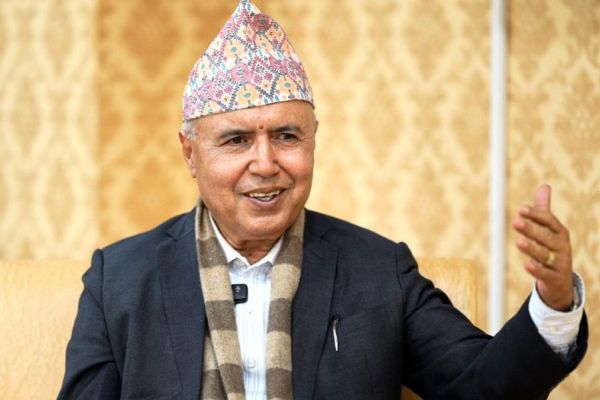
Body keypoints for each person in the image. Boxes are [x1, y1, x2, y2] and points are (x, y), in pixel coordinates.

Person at [58, 1, 587, 399]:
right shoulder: (119, 280)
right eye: (236, 140)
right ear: (190, 153)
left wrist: (554, 300)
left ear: (313, 141)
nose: (265, 163)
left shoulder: (379, 272)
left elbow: (481, 387)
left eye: (286, 136)